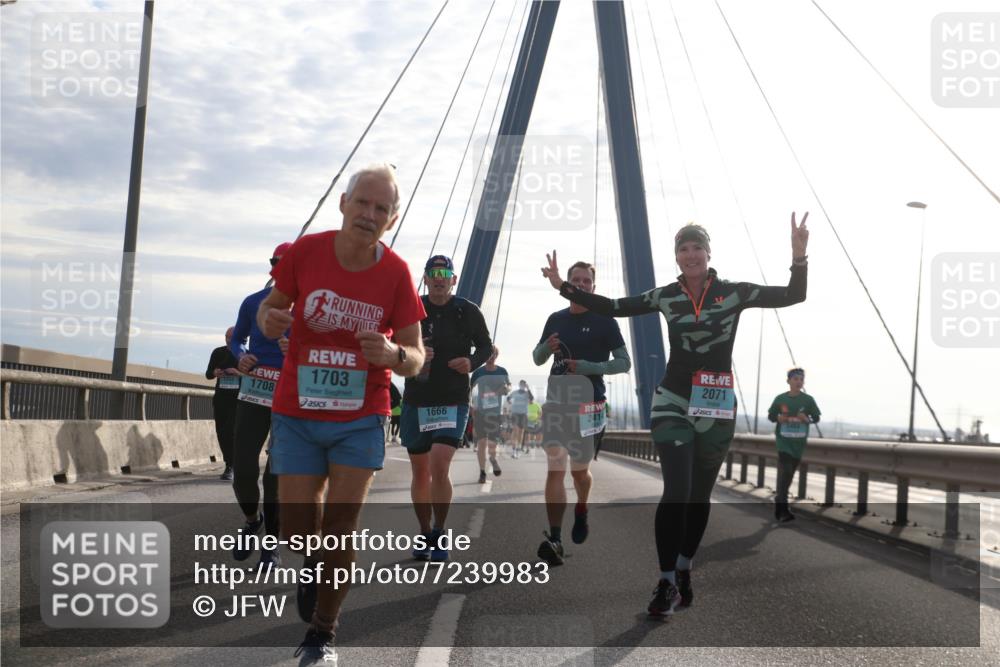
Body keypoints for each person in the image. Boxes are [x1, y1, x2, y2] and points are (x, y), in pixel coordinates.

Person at [541, 215, 810, 616]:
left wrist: (799, 256)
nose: (690, 255)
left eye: (696, 247)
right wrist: (563, 286)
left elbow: (792, 295)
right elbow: (615, 307)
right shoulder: (666, 296)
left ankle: (684, 567)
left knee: (700, 496)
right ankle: (665, 580)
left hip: (717, 407)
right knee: (677, 491)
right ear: (677, 256)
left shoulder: (735, 293)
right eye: (683, 249)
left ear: (708, 252)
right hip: (672, 400)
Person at [257, 163, 426, 665]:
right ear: (343, 203)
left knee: (341, 529)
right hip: (297, 411)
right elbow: (268, 314)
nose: (369, 214)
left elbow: (417, 356)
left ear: (391, 219)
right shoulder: (306, 252)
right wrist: (273, 319)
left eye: (381, 208)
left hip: (360, 414)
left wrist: (395, 356)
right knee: (296, 533)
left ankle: (323, 631)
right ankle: (312, 561)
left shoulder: (396, 273)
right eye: (363, 203)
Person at [533, 261, 632, 566]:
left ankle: (582, 507)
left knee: (579, 472)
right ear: (568, 284)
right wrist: (547, 349)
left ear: (593, 286)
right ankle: (555, 537)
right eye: (575, 279)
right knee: (555, 468)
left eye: (586, 280)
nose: (580, 284)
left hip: (590, 405)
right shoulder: (555, 318)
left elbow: (624, 362)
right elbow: (537, 358)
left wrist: (590, 367)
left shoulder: (605, 320)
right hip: (558, 403)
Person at [400, 255, 493, 562]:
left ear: (453, 280)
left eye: (445, 273)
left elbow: (485, 347)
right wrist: (411, 355)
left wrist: (472, 362)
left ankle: (439, 532)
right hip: (417, 398)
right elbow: (393, 346)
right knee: (420, 471)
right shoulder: (411, 308)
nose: (439, 278)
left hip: (452, 397)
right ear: (425, 278)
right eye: (433, 273)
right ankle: (424, 532)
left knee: (440, 464)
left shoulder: (467, 310)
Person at [230, 243, 291, 571]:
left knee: (274, 477)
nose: (280, 267)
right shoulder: (253, 302)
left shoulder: (311, 309)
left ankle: (272, 545)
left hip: (288, 400)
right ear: (271, 267)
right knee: (243, 470)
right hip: (253, 394)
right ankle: (253, 521)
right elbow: (235, 338)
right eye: (276, 262)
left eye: (288, 262)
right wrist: (241, 358)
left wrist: (295, 348)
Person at [768, 368, 821, 522]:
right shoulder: (780, 399)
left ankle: (780, 501)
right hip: (783, 442)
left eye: (801, 379)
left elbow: (816, 418)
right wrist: (779, 418)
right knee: (786, 472)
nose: (799, 382)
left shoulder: (808, 400)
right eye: (796, 379)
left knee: (789, 475)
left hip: (799, 443)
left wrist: (806, 419)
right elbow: (771, 416)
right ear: (789, 381)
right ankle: (784, 509)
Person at [471, 346, 511, 483]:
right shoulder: (478, 372)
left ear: (497, 356)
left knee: (492, 445)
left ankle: (493, 459)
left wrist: (506, 388)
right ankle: (482, 472)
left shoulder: (502, 371)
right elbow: (469, 389)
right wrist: (471, 404)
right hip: (481, 413)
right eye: (489, 353)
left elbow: (509, 386)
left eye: (494, 353)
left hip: (495, 414)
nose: (491, 356)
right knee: (482, 443)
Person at [205, 327, 240, 480]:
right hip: (221, 399)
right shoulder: (218, 352)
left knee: (231, 432)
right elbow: (208, 374)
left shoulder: (245, 354)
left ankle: (232, 466)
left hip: (239, 400)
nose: (229, 340)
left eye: (232, 337)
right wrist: (216, 373)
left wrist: (238, 373)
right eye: (227, 337)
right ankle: (229, 463)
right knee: (222, 433)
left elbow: (253, 376)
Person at [508, 380, 532, 456]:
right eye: (521, 384)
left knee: (521, 432)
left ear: (525, 385)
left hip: (523, 414)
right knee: (516, 431)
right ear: (519, 385)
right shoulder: (515, 392)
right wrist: (510, 403)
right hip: (515, 414)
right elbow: (508, 398)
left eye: (523, 384)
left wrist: (528, 389)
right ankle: (514, 449)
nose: (522, 385)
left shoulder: (527, 393)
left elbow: (531, 398)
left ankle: (518, 447)